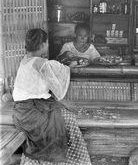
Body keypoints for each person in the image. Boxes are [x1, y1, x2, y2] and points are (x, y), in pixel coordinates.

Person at [12, 28, 92, 165]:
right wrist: (69, 67)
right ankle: (72, 160)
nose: (47, 45)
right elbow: (56, 78)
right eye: (47, 42)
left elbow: (50, 67)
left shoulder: (26, 60)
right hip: (32, 111)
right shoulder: (40, 63)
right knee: (68, 119)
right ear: (43, 45)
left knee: (63, 115)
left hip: (20, 111)